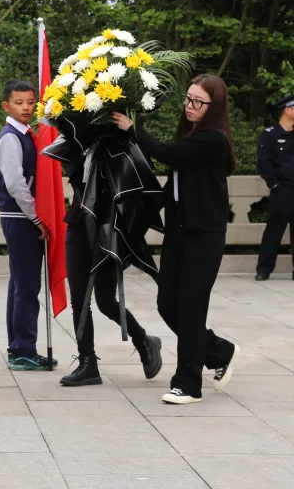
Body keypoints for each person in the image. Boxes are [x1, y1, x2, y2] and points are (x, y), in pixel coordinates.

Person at [112, 75, 239, 405]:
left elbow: (167, 153)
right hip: (179, 233)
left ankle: (188, 383)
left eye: (199, 102)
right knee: (168, 304)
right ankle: (220, 350)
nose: (191, 106)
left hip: (204, 236)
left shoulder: (213, 140)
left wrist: (132, 128)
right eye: (189, 99)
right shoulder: (192, 134)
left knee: (192, 310)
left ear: (215, 107)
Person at [60, 144, 162, 387]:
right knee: (79, 299)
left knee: (105, 301)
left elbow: (139, 184)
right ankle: (88, 362)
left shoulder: (124, 145)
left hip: (108, 230)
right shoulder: (79, 141)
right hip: (78, 225)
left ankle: (143, 339)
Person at [0, 80, 58, 371]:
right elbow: (15, 183)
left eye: (31, 102)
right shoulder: (11, 137)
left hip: (22, 217)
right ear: (6, 106)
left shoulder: (27, 135)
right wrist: (37, 217)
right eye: (19, 103)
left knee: (20, 284)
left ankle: (19, 346)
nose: (26, 108)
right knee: (26, 286)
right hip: (20, 218)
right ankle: (23, 349)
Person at [255, 94, 294, 281]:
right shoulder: (270, 134)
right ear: (288, 109)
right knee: (274, 230)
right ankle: (264, 269)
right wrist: (275, 184)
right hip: (282, 189)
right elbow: (263, 163)